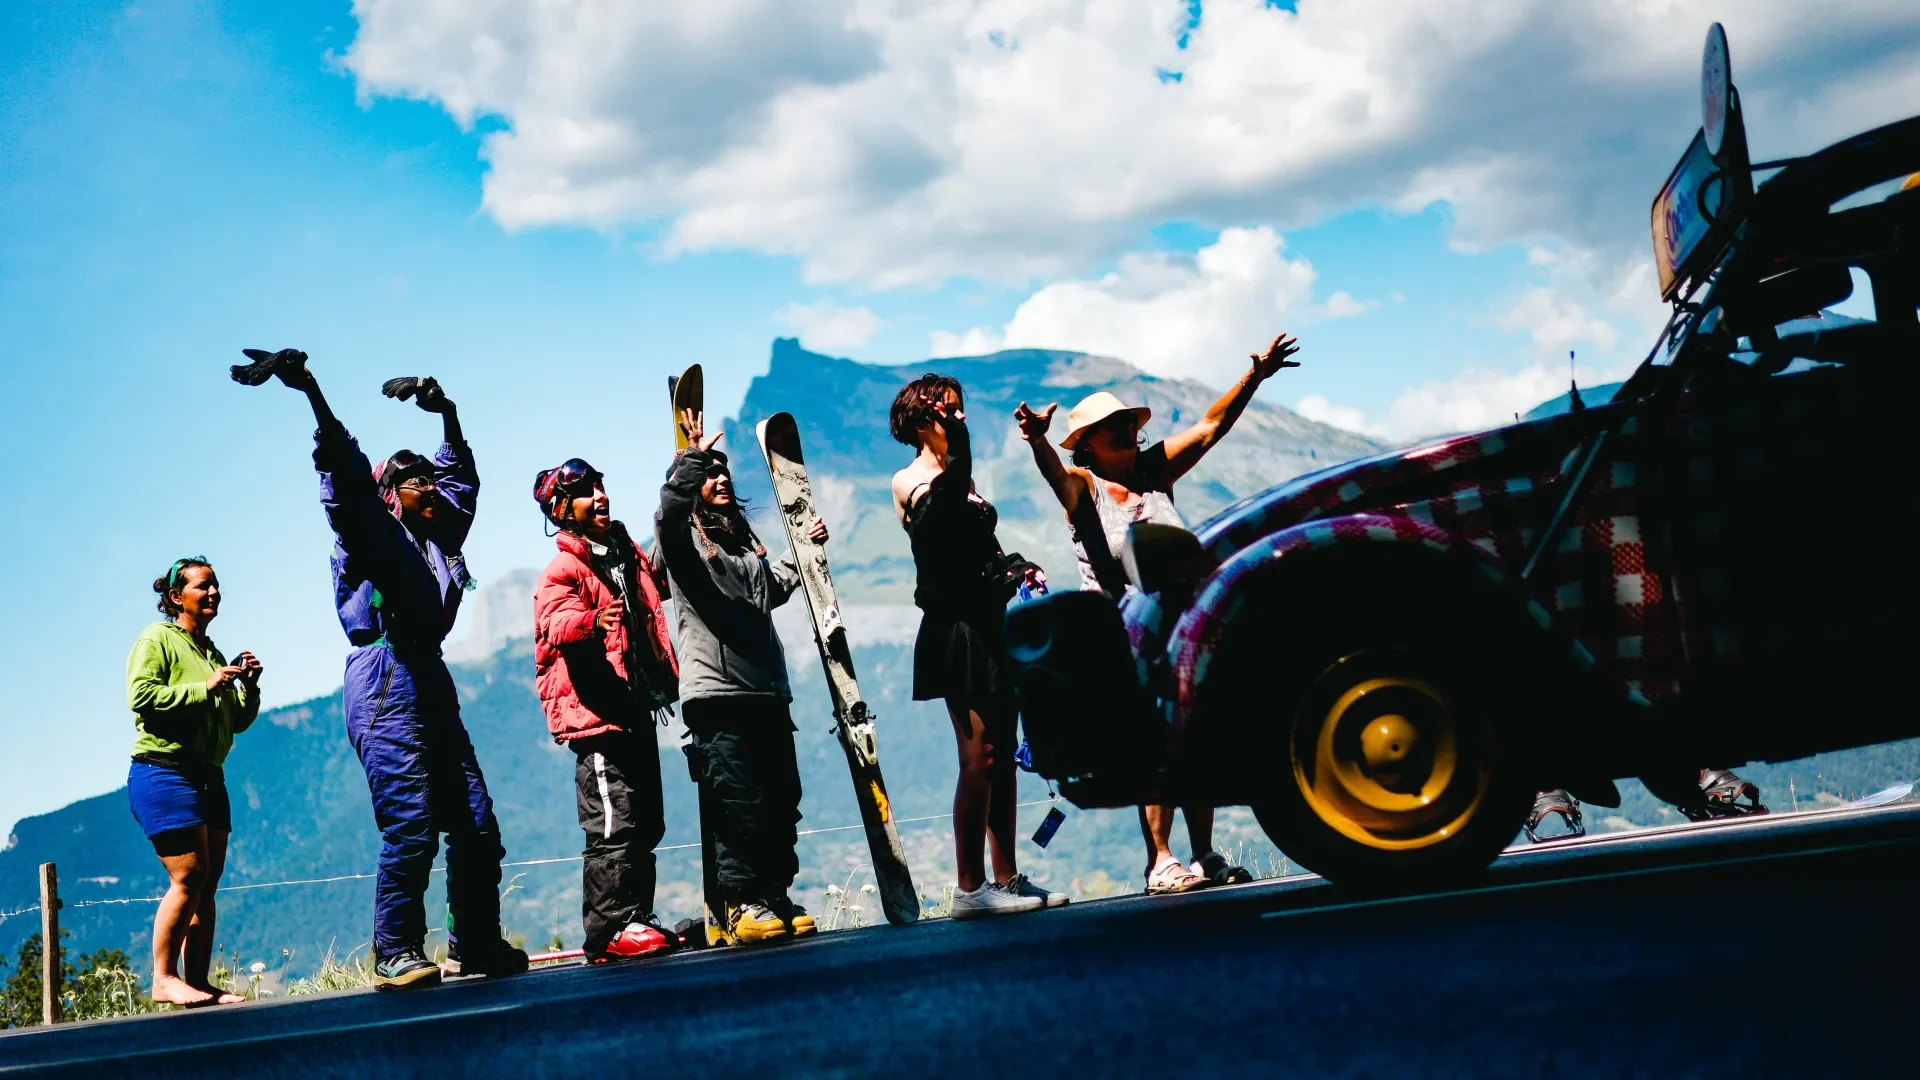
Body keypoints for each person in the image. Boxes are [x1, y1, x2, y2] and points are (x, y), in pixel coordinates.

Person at [231, 348, 525, 989]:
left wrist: (445, 411)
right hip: (386, 679)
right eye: (413, 478)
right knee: (412, 822)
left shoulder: (441, 538)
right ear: (390, 496)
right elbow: (348, 487)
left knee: (475, 822)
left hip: (429, 678)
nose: (430, 484)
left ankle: (476, 942)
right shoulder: (374, 535)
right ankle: (395, 951)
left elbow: (461, 478)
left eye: (428, 477)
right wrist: (311, 391)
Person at [1013, 333, 1303, 894]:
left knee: (1198, 735)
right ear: (1089, 445)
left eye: (1128, 420)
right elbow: (1055, 475)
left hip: (1184, 624)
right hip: (1121, 635)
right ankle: (1160, 862)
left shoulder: (1155, 471)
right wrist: (1037, 442)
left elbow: (1210, 427)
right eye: (1113, 425)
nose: (1127, 428)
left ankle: (1204, 855)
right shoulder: (1085, 486)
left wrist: (1255, 377)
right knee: (1153, 745)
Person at [890, 376, 1065, 919]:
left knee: (1005, 759)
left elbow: (975, 551)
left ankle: (1006, 878)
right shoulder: (912, 480)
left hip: (992, 624)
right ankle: (969, 888)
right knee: (979, 758)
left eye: (963, 411)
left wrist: (1016, 566)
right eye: (950, 412)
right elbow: (940, 534)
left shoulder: (959, 478)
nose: (961, 419)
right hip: (955, 632)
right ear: (924, 422)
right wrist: (958, 457)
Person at [655, 408, 818, 944]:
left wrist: (805, 546)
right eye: (710, 474)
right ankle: (742, 901)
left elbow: (771, 590)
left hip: (767, 690)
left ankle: (774, 893)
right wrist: (689, 461)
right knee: (737, 802)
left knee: (779, 799)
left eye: (724, 471)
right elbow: (667, 516)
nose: (720, 479)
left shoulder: (745, 541)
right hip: (717, 694)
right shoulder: (682, 545)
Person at [533, 458, 682, 963]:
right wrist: (593, 619)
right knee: (612, 823)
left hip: (635, 708)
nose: (599, 496)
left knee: (646, 822)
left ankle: (637, 915)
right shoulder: (563, 569)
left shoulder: (623, 551)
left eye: (599, 486)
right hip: (597, 721)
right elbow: (555, 623)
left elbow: (657, 587)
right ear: (561, 511)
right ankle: (608, 930)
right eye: (584, 492)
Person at [126, 557, 262, 1007]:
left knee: (209, 882)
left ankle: (199, 982)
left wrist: (248, 688)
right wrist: (206, 685)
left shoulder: (213, 653)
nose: (213, 593)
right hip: (163, 771)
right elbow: (141, 696)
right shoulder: (156, 638)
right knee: (190, 875)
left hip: (209, 776)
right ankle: (163, 979)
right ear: (174, 596)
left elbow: (236, 722)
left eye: (216, 585)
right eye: (203, 586)